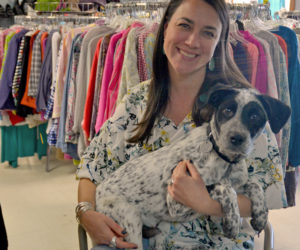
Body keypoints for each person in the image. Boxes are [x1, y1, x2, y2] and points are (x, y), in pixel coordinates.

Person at [76, 0, 286, 249]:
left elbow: (269, 193)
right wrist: (85, 212)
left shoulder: (246, 109)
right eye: (184, 25)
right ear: (165, 29)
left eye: (208, 33)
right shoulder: (136, 101)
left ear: (219, 42)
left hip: (215, 241)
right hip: (136, 236)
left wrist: (206, 203)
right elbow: (91, 168)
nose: (192, 41)